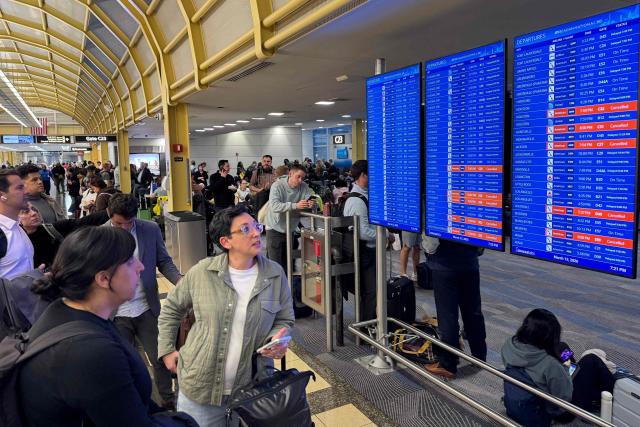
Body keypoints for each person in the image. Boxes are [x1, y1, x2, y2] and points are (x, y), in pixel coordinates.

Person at [18, 226, 195, 427]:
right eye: (130, 261)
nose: (141, 267)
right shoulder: (89, 352)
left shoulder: (64, 312)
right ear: (103, 278)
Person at [158, 204, 294, 426]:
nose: (255, 233)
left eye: (256, 226)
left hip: (253, 390)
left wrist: (277, 339)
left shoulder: (275, 274)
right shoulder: (203, 272)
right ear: (225, 242)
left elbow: (285, 319)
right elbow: (172, 309)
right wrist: (166, 350)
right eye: (245, 229)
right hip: (200, 390)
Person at [105, 193, 182, 409]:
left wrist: (181, 281)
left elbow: (163, 261)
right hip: (116, 313)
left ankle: (167, 401)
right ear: (110, 215)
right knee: (126, 363)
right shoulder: (100, 235)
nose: (124, 228)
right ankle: (135, 405)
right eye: (119, 223)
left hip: (147, 307)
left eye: (129, 223)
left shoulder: (149, 229)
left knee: (160, 356)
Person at [502, 309, 616, 426]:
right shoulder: (550, 365)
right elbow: (564, 397)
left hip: (524, 396)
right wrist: (565, 370)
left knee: (562, 347)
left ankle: (586, 377)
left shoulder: (510, 344)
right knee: (591, 361)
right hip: (555, 411)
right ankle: (615, 394)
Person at [424, 238, 487, 379]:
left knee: (448, 316)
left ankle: (448, 364)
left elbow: (431, 245)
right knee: (473, 311)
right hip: (470, 263)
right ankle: (480, 356)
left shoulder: (437, 214)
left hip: (444, 264)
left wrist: (428, 251)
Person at [19, 202, 109, 267]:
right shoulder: (14, 243)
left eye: (34, 210)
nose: (34, 213)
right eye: (26, 212)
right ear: (16, 219)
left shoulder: (51, 230)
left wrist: (110, 212)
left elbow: (84, 222)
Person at [342, 160, 379, 320]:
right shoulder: (357, 200)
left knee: (368, 291)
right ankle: (366, 327)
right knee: (370, 291)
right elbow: (363, 232)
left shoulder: (362, 196)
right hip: (364, 251)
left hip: (365, 251)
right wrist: (385, 237)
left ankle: (366, 323)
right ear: (363, 175)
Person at [264, 164, 313, 268]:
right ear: (290, 174)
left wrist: (311, 203)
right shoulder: (277, 186)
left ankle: (287, 283)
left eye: (303, 178)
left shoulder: (304, 186)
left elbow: (309, 198)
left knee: (288, 264)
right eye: (298, 177)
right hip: (274, 228)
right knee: (275, 265)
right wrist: (296, 205)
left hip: (290, 229)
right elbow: (274, 206)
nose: (300, 180)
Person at [0, 169, 34, 279]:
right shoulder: (2, 234)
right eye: (20, 188)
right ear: (2, 195)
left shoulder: (17, 227)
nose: (27, 191)